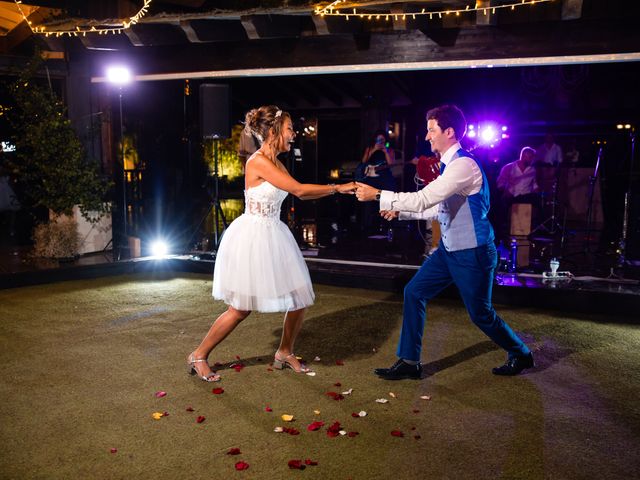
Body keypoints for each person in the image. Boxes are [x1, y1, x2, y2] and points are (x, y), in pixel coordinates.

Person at [355, 104, 534, 379]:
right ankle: (409, 362)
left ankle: (521, 353)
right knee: (414, 292)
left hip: (473, 254)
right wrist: (399, 211)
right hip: (449, 251)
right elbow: (438, 208)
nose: (427, 137)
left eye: (431, 130)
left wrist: (379, 194)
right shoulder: (450, 165)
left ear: (449, 132)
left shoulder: (463, 165)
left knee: (481, 315)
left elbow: (424, 198)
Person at [187, 105, 355, 382]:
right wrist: (338, 188)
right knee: (241, 309)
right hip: (253, 237)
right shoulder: (259, 161)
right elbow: (300, 191)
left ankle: (284, 352)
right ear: (275, 131)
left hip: (275, 233)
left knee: (300, 297)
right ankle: (198, 355)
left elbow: (299, 191)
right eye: (290, 129)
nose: (294, 134)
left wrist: (334, 190)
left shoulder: (277, 162)